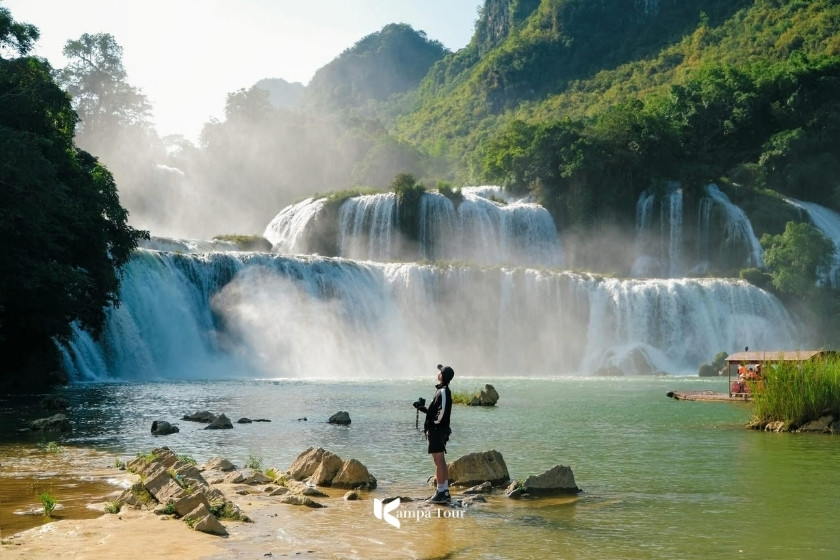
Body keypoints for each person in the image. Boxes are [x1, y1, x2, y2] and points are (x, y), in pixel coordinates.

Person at [414, 363, 454, 503]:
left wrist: (434, 424)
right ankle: (443, 491)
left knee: (439, 462)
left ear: (442, 376)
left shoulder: (443, 391)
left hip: (437, 431)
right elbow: (435, 410)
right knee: (439, 461)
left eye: (440, 372)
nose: (438, 374)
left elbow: (441, 413)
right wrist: (422, 408)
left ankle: (441, 492)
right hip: (437, 430)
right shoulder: (442, 390)